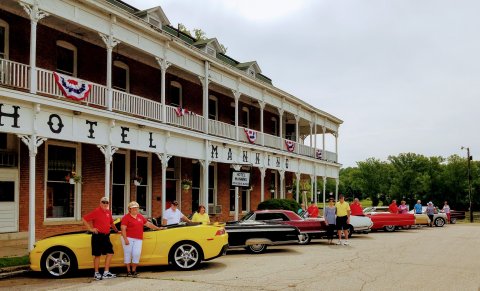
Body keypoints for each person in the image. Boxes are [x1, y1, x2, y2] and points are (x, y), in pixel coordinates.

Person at [121, 201, 163, 277]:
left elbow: (148, 224)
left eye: (136, 208)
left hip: (138, 239)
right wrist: (125, 239)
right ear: (129, 209)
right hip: (128, 238)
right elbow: (123, 229)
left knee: (136, 254)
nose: (135, 210)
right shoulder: (125, 217)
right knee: (127, 254)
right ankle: (128, 271)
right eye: (133, 208)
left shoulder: (140, 216)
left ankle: (134, 270)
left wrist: (157, 228)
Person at [82, 196, 119, 280]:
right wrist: (91, 229)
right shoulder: (96, 211)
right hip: (98, 236)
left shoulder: (108, 212)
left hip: (106, 236)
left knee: (110, 253)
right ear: (100, 203)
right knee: (97, 255)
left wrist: (117, 231)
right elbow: (84, 219)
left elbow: (111, 223)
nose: (105, 204)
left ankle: (106, 273)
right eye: (103, 202)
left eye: (107, 203)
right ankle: (96, 273)